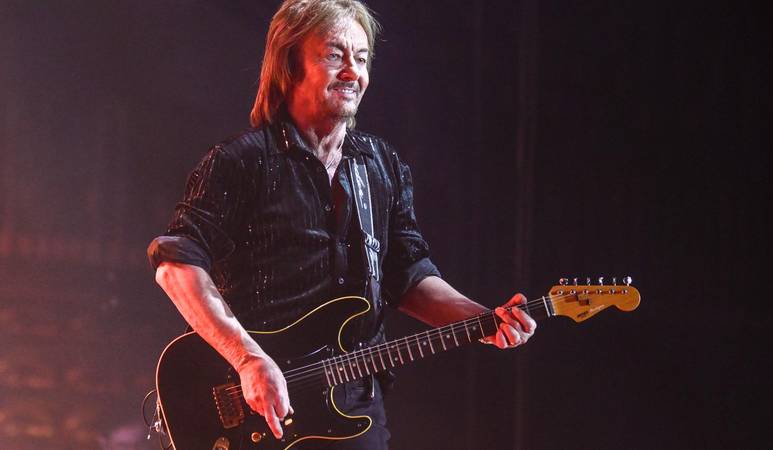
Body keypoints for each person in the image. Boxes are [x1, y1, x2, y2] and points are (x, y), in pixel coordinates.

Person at [147, 0, 536, 448]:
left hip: (353, 408)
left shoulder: (381, 166)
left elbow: (408, 276)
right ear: (290, 65)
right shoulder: (241, 163)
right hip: (255, 406)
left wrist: (485, 320)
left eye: (362, 58)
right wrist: (248, 359)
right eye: (335, 55)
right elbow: (176, 265)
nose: (354, 72)